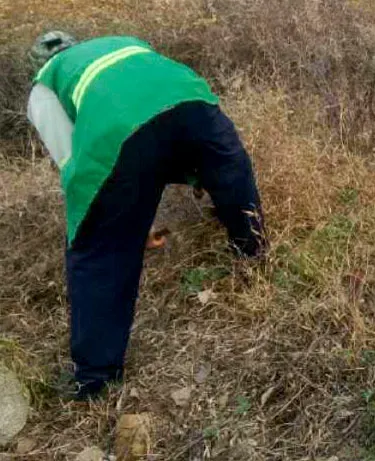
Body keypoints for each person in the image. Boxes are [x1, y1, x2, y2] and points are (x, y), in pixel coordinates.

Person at [26, 32, 266, 400]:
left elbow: (75, 163)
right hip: (195, 103)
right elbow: (162, 120)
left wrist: (131, 224)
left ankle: (95, 377)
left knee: (97, 249)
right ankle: (253, 257)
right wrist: (195, 172)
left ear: (40, 63)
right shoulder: (120, 42)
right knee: (232, 175)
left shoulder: (44, 87)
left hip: (121, 132)